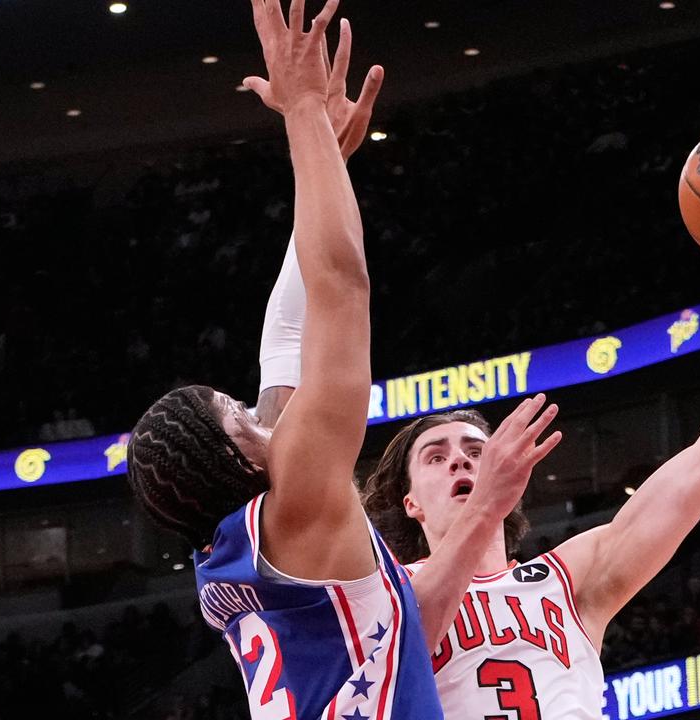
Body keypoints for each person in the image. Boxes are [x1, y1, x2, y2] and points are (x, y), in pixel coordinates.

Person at [125, 3, 560, 717]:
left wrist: (327, 157)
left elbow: (283, 344)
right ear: (233, 456)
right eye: (235, 412)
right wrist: (301, 112)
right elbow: (341, 287)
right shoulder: (297, 501)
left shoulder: (237, 545)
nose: (254, 409)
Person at [363, 174, 700, 715]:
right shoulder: (386, 591)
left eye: (475, 451)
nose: (460, 462)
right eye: (437, 457)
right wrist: (484, 503)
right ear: (411, 503)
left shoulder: (571, 578)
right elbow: (399, 653)